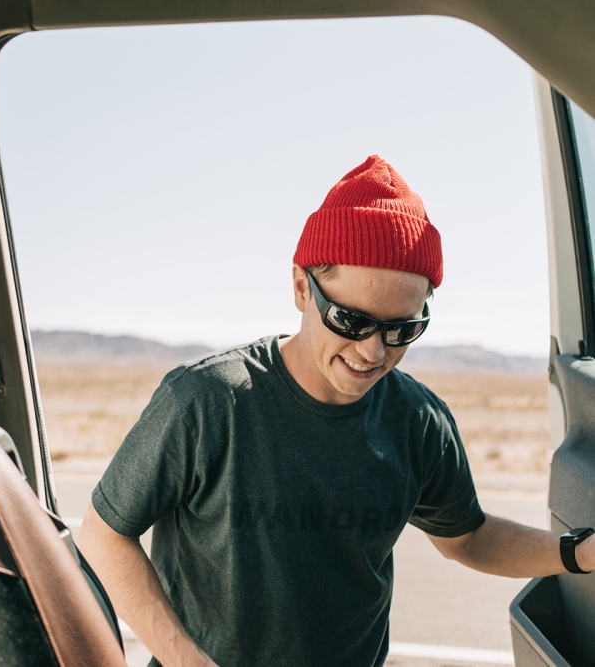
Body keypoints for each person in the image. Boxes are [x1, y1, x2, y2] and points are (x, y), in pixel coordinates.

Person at [80, 155, 595, 667]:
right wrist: (186, 660)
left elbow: (468, 538)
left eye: (401, 330)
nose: (372, 352)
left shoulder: (417, 421)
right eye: (350, 320)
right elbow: (105, 533)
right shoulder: (209, 401)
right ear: (303, 289)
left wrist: (577, 554)